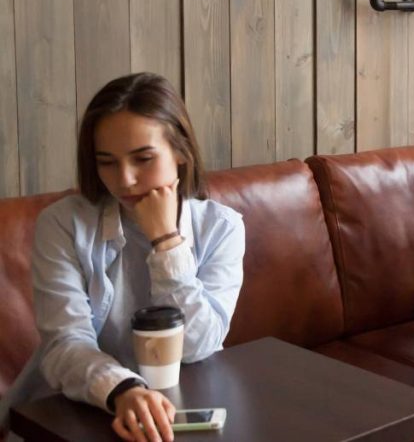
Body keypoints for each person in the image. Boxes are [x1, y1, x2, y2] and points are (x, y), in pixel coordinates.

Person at [0, 73, 245, 442]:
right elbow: (65, 341)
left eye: (143, 158)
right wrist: (123, 390)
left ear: (181, 151)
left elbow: (199, 346)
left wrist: (166, 241)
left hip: (174, 411)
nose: (126, 179)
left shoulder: (222, 228)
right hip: (70, 409)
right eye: (107, 162)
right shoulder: (63, 224)